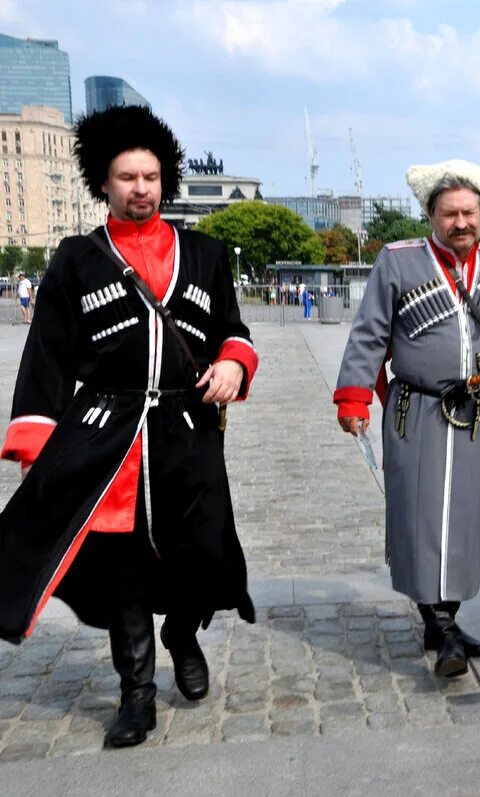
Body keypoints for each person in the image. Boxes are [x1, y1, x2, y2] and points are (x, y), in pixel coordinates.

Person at [0, 105, 258, 748]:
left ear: (164, 179)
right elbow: (49, 355)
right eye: (126, 177)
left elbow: (234, 328)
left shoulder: (204, 252)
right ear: (104, 183)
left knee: (200, 547)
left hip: (188, 430)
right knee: (124, 568)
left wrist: (233, 361)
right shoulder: (76, 259)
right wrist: (36, 442)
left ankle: (183, 633)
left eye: (150, 176)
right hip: (109, 436)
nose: (141, 188)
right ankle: (136, 693)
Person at [334, 159, 480, 678]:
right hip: (416, 410)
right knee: (421, 516)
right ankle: (444, 629)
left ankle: (442, 620)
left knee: (466, 519)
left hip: (476, 414)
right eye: (450, 213)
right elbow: (369, 332)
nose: (461, 222)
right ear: (431, 214)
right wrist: (354, 396)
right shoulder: (397, 260)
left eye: (470, 211)